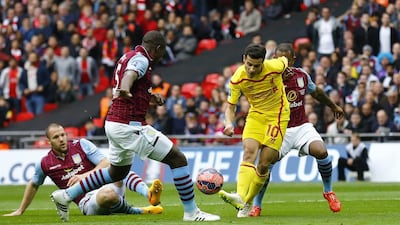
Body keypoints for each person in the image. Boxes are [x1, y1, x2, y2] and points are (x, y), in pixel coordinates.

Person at [50, 31, 220, 222]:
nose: (162, 56)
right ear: (157, 48)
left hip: (114, 123)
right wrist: (124, 87)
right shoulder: (142, 60)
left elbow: (132, 78)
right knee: (177, 158)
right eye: (163, 51)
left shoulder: (128, 55)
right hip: (129, 125)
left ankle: (65, 195)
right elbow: (130, 75)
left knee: (117, 172)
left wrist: (149, 96)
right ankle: (191, 213)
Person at [249, 43, 344, 217]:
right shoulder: (266, 78)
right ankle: (257, 205)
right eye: (278, 59)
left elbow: (316, 93)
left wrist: (334, 106)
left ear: (292, 59)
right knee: (264, 164)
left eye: (285, 59)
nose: (282, 62)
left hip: (301, 126)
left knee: (321, 151)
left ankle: (328, 191)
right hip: (278, 129)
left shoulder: (301, 76)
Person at [3, 123, 163, 218]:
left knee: (119, 169)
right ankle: (136, 211)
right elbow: (33, 184)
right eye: (56, 137)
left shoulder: (81, 145)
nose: (62, 139)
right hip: (88, 202)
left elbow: (105, 162)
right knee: (108, 195)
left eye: (63, 135)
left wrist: (85, 176)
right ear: (49, 141)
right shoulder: (45, 163)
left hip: (103, 185)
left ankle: (148, 194)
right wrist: (20, 210)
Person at [218, 43, 290, 218]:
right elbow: (231, 106)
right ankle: (240, 196)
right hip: (256, 116)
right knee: (249, 152)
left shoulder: (274, 67)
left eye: (256, 66)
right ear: (244, 59)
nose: (251, 69)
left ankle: (247, 203)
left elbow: (285, 60)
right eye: (248, 64)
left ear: (263, 63)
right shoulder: (238, 78)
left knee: (264, 164)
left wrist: (288, 70)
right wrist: (228, 123)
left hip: (277, 117)